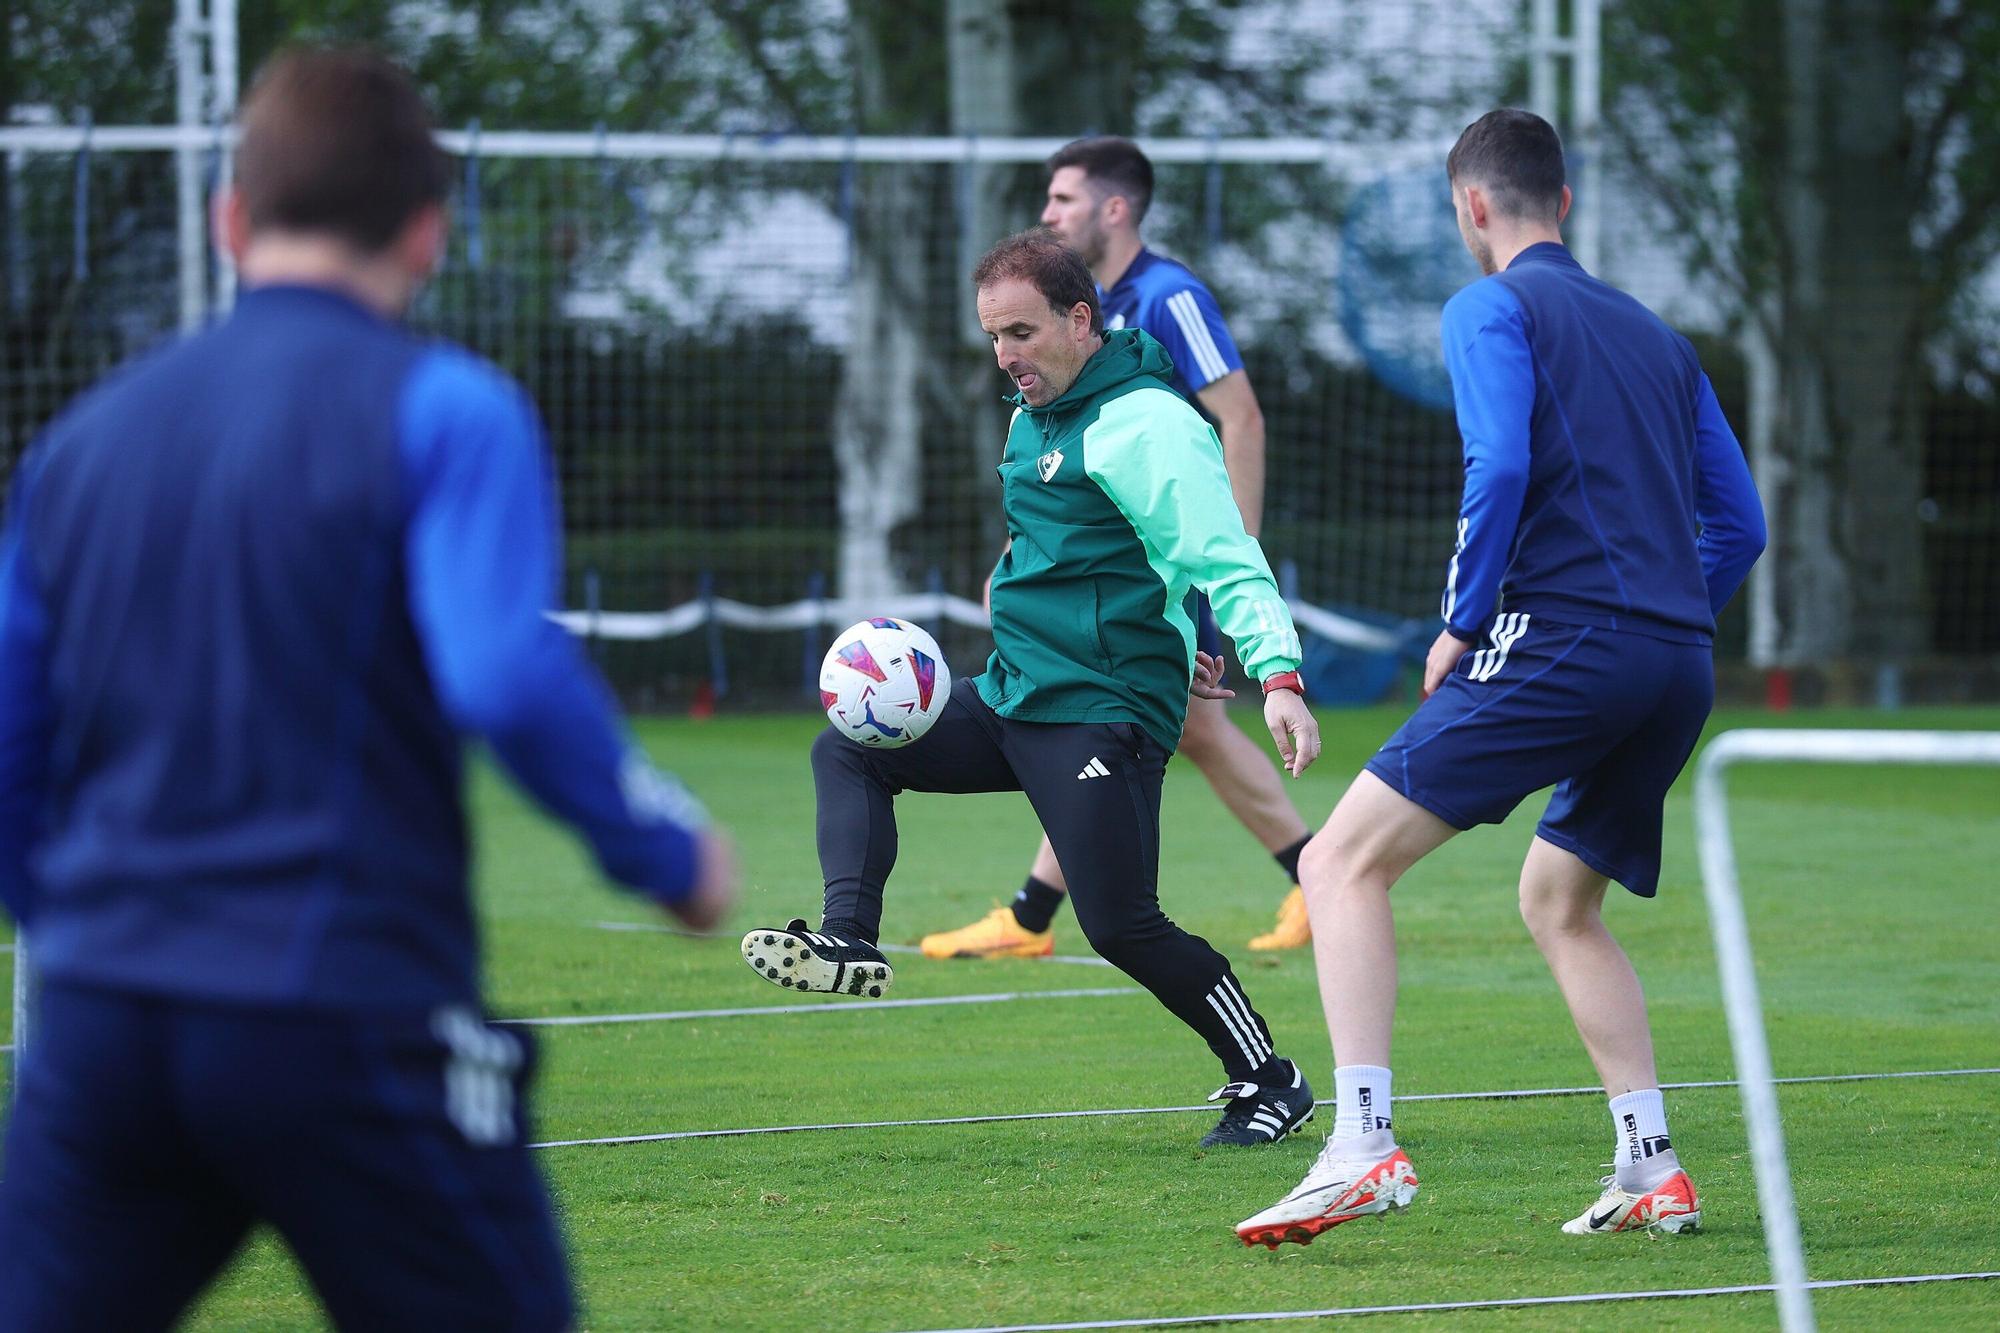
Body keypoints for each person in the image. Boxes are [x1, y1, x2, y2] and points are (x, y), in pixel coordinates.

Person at [0, 48, 735, 1330]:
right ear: (426, 233)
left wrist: (78, 924)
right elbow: (502, 673)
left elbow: (10, 735)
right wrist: (662, 845)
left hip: (103, 1023)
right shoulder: (449, 410)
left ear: (233, 221)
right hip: (339, 1008)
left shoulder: (81, 442)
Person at [1235, 109, 1765, 1247]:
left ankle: (1362, 1145)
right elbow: (1740, 525)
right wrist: (1661, 611)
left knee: (1337, 861)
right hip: (1673, 662)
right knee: (1557, 901)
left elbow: (1503, 459)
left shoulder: (1485, 304)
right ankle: (1649, 1164)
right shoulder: (1657, 335)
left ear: (1470, 206)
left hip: (1565, 640)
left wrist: (1459, 621)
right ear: (1559, 202)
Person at [742, 230, 1323, 1147]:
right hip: (1016, 692)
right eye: (993, 337)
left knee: (1121, 926)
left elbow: (1221, 555)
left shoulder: (1154, 422)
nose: (1006, 357)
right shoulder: (1030, 420)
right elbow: (1076, 553)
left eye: (1021, 332)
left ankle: (1271, 1079)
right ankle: (849, 938)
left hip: (1103, 715)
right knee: (850, 748)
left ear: (1080, 320)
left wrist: (1276, 675)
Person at [920, 137, 1315, 962]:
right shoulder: (1078, 303)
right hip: (1109, 565)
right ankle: (1033, 915)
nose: (1048, 214)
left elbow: (1238, 420)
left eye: (1062, 200)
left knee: (1133, 727)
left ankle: (1321, 877)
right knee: (1102, 727)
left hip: (1168, 564)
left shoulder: (1170, 296)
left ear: (1114, 208)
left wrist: (1213, 576)